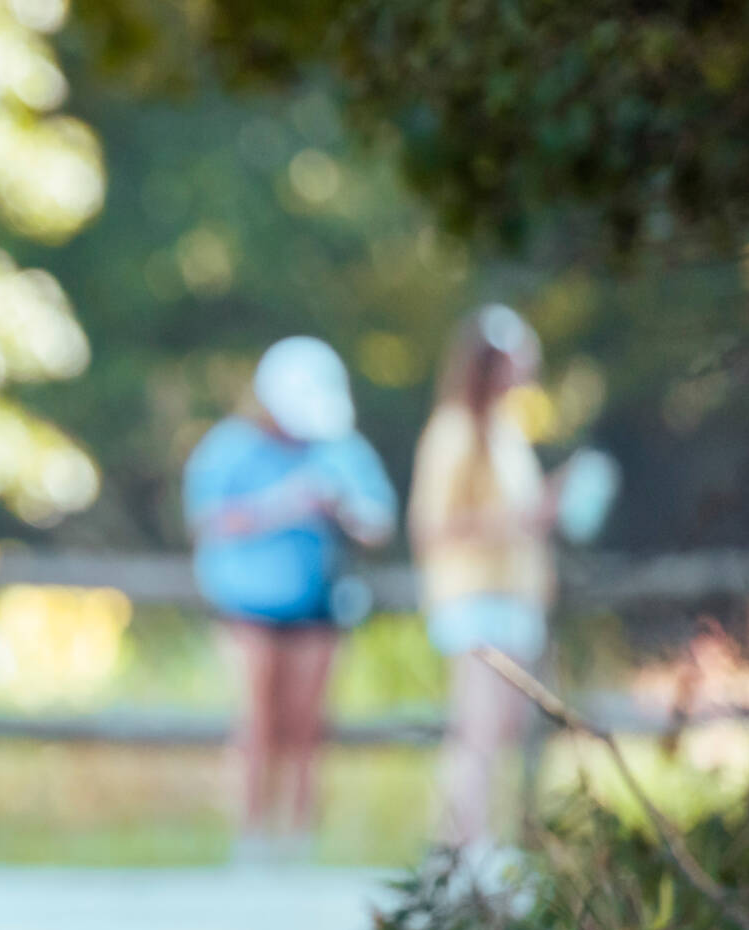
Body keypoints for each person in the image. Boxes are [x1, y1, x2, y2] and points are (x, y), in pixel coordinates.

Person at [184, 336, 396, 862]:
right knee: (256, 721)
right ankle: (251, 836)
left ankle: (298, 837)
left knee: (307, 724)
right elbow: (209, 521)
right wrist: (282, 505)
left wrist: (339, 506)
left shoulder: (339, 449)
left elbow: (379, 523)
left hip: (318, 604)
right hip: (247, 607)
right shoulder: (229, 447)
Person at [409, 304, 573, 855]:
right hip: (473, 600)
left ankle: (483, 843)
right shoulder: (454, 430)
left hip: (515, 600)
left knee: (503, 730)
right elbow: (431, 527)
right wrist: (521, 518)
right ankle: (457, 850)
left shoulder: (508, 432)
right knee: (476, 729)